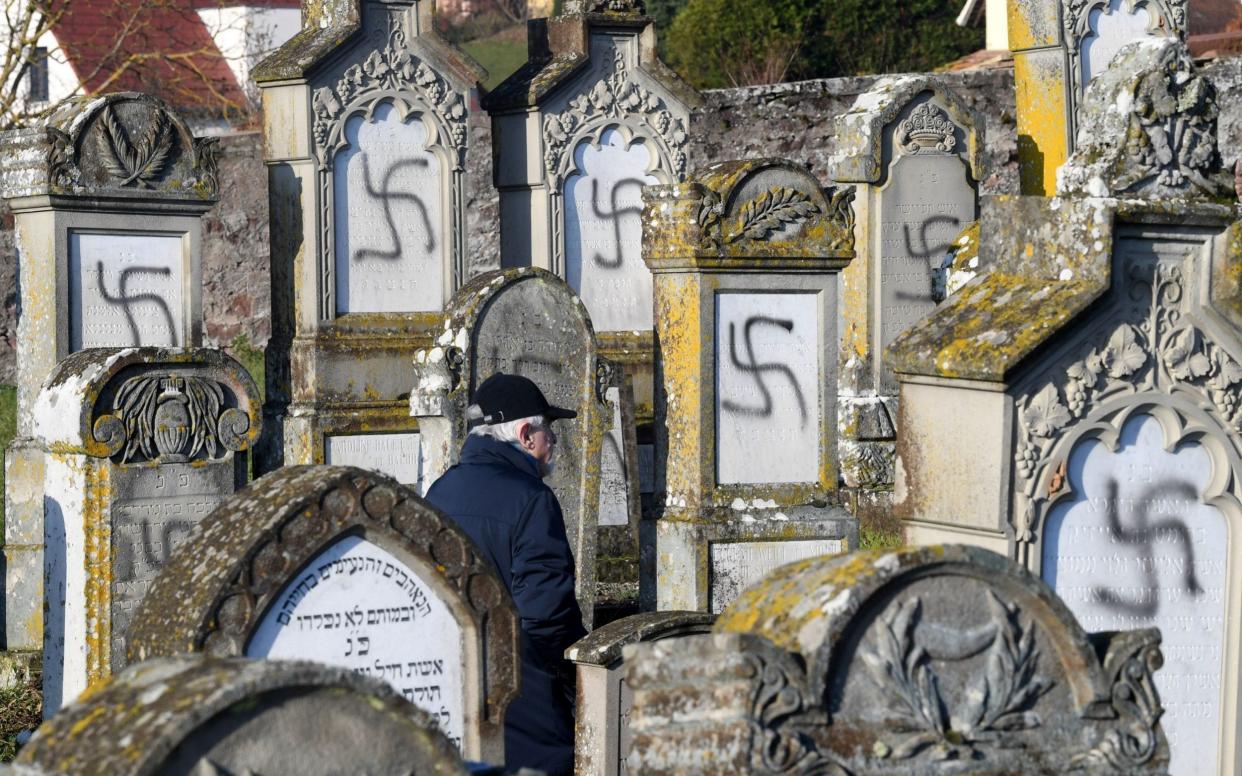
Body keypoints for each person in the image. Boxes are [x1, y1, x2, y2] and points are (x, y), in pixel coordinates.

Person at [425, 372, 586, 776]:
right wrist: (576, 674)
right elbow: (545, 616)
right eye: (549, 432)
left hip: (453, 681)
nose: (553, 445)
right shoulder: (533, 501)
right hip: (521, 693)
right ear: (527, 434)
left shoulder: (440, 491)